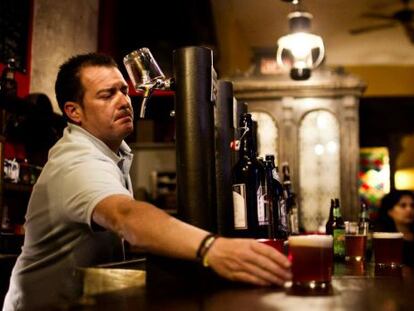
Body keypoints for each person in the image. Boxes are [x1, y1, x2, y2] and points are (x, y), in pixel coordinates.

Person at [3, 53, 291, 310]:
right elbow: (124, 215)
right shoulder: (76, 162)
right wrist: (211, 248)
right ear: (73, 111)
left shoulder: (110, 153)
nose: (124, 101)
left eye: (124, 91)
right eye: (106, 95)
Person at [375, 190, 414, 266]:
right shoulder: (385, 238)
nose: (409, 210)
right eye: (403, 205)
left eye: (412, 205)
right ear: (390, 211)